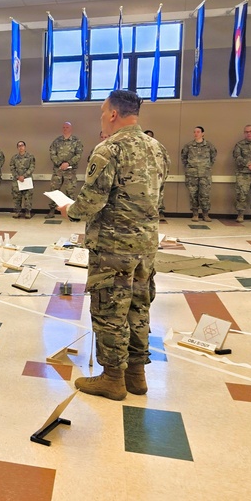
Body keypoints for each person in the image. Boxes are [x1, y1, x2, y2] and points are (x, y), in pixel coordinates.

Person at [60, 90, 168, 401]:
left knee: (110, 310)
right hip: (145, 245)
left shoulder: (109, 150)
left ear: (112, 114)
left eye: (102, 113)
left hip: (112, 247)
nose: (102, 119)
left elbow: (92, 200)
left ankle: (113, 378)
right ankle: (137, 374)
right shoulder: (157, 148)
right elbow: (156, 198)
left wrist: (70, 211)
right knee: (139, 307)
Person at [180, 126, 218, 222]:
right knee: (193, 195)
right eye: (194, 132)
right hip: (192, 175)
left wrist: (206, 167)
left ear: (203, 133)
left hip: (205, 175)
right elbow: (184, 158)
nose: (196, 134)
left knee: (205, 195)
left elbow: (213, 157)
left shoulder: (209, 146)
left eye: (198, 132)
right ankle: (195, 214)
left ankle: (205, 214)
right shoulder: (188, 146)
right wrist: (190, 168)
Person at [47, 122, 84, 216]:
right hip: (58, 170)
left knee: (70, 191)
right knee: (54, 191)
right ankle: (52, 211)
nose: (65, 129)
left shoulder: (76, 141)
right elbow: (52, 153)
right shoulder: (57, 141)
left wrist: (68, 163)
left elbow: (78, 155)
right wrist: (60, 163)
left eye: (67, 127)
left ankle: (71, 213)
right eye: (63, 127)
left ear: (71, 128)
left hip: (70, 171)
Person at [146, 130, 168, 220]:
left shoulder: (158, 147)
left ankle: (160, 212)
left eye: (150, 136)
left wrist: (163, 174)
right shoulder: (138, 147)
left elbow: (166, 160)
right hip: (143, 176)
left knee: (158, 194)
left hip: (156, 175)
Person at [10, 140, 35, 218]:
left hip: (27, 179)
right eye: (19, 146)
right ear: (17, 148)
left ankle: (27, 212)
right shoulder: (14, 158)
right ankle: (17, 211)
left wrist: (24, 176)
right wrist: (17, 176)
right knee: (16, 196)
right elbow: (12, 168)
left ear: (25, 147)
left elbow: (32, 167)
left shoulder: (30, 156)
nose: (21, 147)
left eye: (22, 145)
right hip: (17, 180)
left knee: (28, 196)